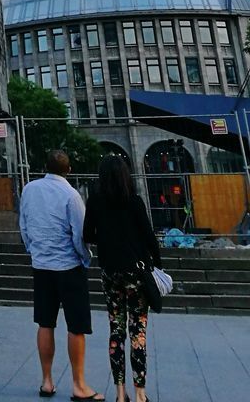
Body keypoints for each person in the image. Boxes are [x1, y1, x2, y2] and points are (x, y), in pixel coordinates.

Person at [19, 149, 103, 402]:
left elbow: (23, 226)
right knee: (76, 327)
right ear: (68, 170)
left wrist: (34, 250)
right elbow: (79, 234)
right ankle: (78, 385)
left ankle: (46, 381)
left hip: (41, 265)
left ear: (45, 167)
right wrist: (85, 257)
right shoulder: (71, 195)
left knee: (45, 322)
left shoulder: (29, 189)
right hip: (68, 267)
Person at [83, 154, 161, 402]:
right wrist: (157, 265)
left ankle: (119, 393)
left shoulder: (95, 201)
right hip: (136, 274)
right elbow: (149, 237)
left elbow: (87, 234)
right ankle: (140, 394)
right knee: (138, 332)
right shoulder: (134, 200)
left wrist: (107, 241)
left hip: (110, 274)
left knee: (116, 332)